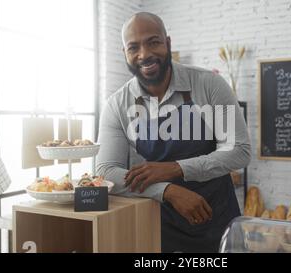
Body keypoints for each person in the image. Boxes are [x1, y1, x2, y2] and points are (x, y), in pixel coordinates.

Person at [96, 12, 251, 253]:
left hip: (216, 220)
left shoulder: (209, 85)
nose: (144, 54)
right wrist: (167, 190)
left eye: (153, 42)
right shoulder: (117, 105)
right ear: (124, 54)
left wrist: (175, 168)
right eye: (133, 47)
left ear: (168, 43)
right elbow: (105, 171)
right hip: (158, 222)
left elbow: (239, 151)